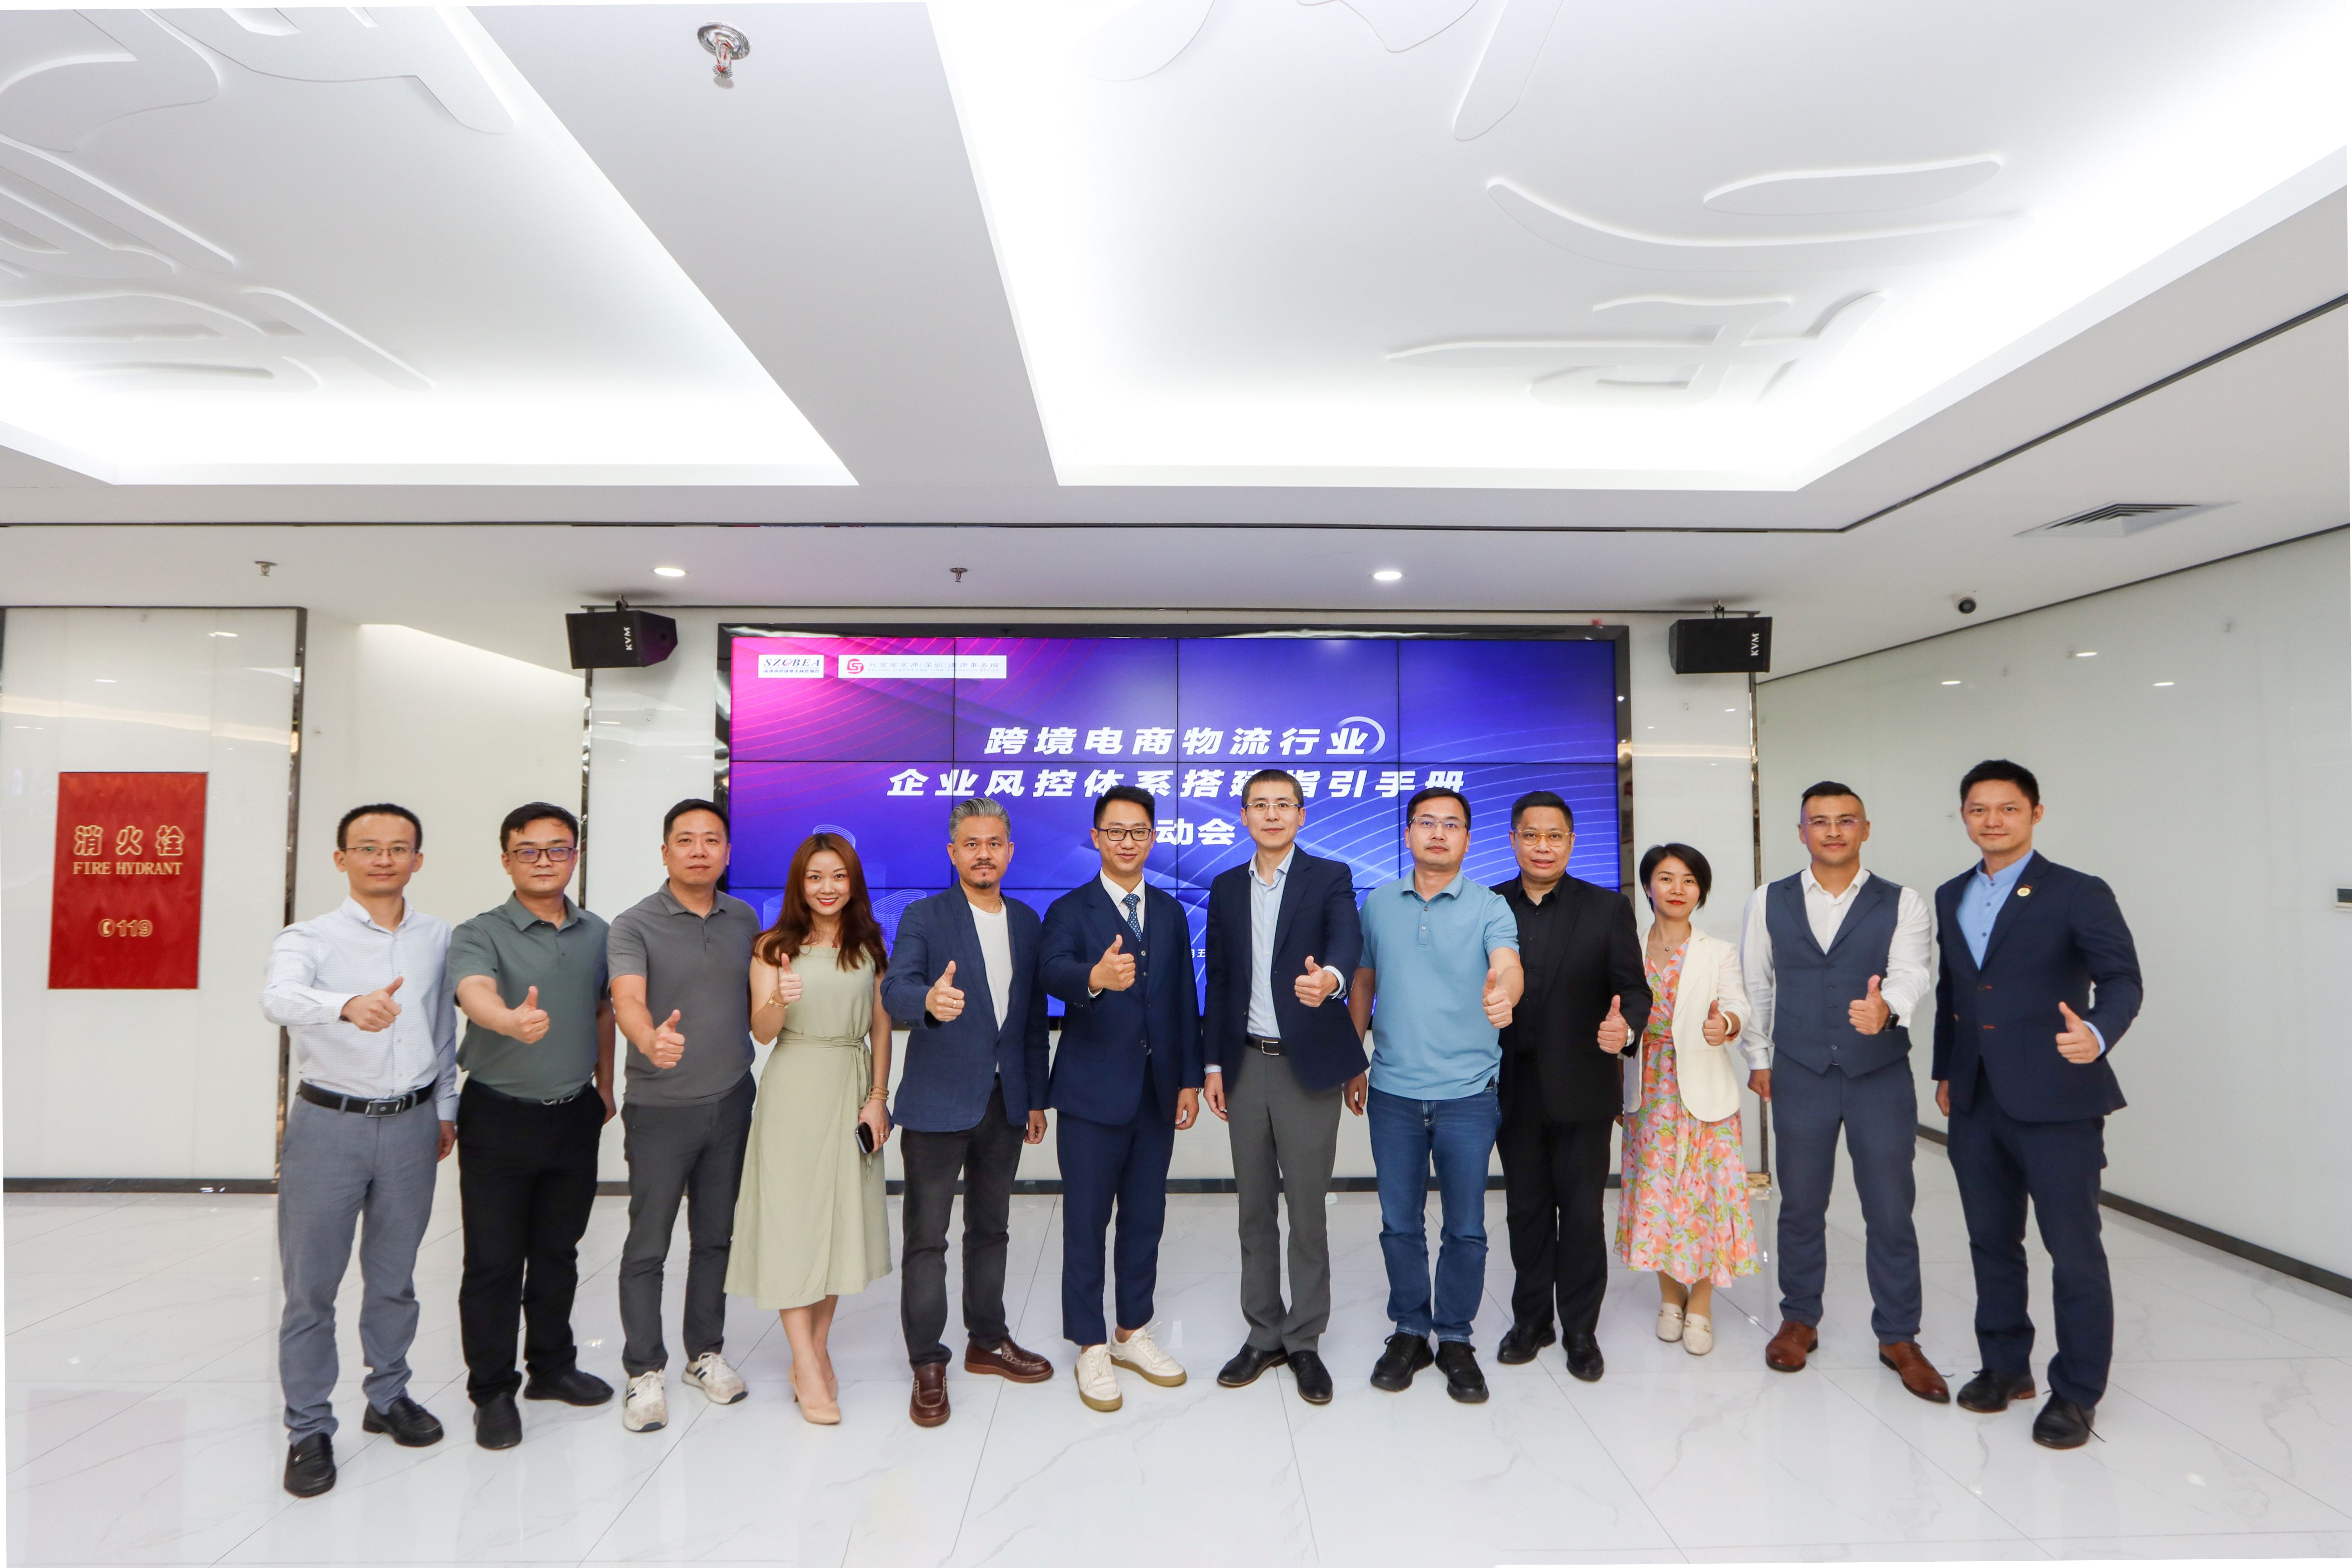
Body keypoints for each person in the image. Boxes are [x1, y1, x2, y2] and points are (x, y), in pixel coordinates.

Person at [1933, 759, 2142, 1450]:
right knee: (1991, 1240)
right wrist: (1945, 1069)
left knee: (2073, 1251)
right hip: (1976, 1096)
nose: (1992, 820)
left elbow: (2123, 979)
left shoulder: (2079, 891)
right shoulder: (1951, 893)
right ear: (1965, 816)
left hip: (2057, 1095)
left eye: (2008, 808)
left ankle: (2077, 1391)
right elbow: (1955, 992)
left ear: (2035, 813)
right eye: (1979, 809)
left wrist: (2098, 1033)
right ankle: (2005, 1365)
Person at [260, 803, 458, 1498]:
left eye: (398, 848)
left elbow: (442, 1030)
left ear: (417, 860)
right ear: (341, 858)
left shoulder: (438, 937)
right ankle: (309, 1426)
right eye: (367, 847)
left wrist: (444, 1109)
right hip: (329, 1126)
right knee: (311, 1289)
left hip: (411, 1125)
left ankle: (389, 1394)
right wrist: (345, 1005)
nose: (383, 859)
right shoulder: (308, 937)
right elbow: (278, 998)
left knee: (394, 1276)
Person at [1739, 784, 1945, 1400]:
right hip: (1800, 1069)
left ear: (1866, 829)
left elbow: (1912, 970)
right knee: (1801, 1203)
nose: (1833, 830)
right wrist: (1758, 1057)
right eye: (1820, 821)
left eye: (1846, 820)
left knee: (1890, 1207)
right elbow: (1757, 981)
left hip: (1879, 1073)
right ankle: (1799, 1318)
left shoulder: (1903, 901)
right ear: (1801, 831)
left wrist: (1889, 1008)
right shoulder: (1769, 899)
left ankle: (1899, 1335)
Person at [880, 798, 1055, 1428]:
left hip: (1005, 1103)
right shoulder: (925, 916)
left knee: (991, 1230)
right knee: (927, 1239)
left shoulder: (1028, 922)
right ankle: (928, 1362)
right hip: (937, 1103)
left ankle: (988, 1340)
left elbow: (1030, 1019)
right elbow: (895, 988)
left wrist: (1035, 1096)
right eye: (972, 843)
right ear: (953, 852)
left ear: (1010, 852)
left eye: (994, 843)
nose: (984, 854)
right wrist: (928, 1002)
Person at [448, 802, 617, 1450]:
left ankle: (551, 1367)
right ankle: (492, 1390)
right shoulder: (480, 931)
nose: (544, 861)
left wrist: (606, 1085)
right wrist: (508, 1021)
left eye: (558, 848)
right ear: (507, 860)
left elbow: (603, 1011)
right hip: (499, 1114)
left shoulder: (598, 932)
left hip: (573, 1113)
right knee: (493, 1261)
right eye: (529, 850)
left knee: (558, 1251)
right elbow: (474, 991)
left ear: (575, 855)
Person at [1349, 785, 1523, 1404]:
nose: (1439, 833)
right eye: (1427, 822)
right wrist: (1353, 1057)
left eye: (1452, 824)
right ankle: (1409, 1329)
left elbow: (1508, 965)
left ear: (1468, 839)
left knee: (1466, 1226)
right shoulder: (1378, 903)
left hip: (1468, 1093)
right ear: (1409, 834)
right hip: (1393, 1090)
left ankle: (1454, 1335)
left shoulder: (1490, 906)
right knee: (1399, 1223)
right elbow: (1364, 980)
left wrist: (1505, 994)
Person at [1202, 768, 1365, 1407]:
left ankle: (1304, 1339)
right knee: (1253, 1208)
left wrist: (1330, 978)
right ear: (1244, 815)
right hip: (1245, 1064)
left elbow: (1346, 939)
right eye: (1259, 805)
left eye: (1284, 805)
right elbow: (1219, 981)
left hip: (1308, 1065)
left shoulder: (1329, 877)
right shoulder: (1224, 887)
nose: (1272, 814)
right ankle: (1263, 1332)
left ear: (1302, 814)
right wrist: (1213, 1066)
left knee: (1306, 1210)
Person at [1039, 785, 1203, 1413]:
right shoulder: (1070, 909)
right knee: (1086, 1222)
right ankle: (1089, 1344)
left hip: (1156, 1093)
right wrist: (1094, 978)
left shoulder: (1170, 912)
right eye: (1115, 831)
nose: (1127, 841)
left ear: (1153, 838)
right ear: (1096, 837)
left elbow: (1183, 1000)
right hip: (1090, 1093)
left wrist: (1187, 1078)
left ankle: (1132, 1332)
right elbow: (1051, 971)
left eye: (1139, 831)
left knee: (1145, 1218)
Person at [727, 832, 894, 1425]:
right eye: (815, 876)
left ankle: (815, 1352)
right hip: (794, 1087)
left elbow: (880, 1028)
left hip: (851, 1085)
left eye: (839, 876)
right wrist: (778, 996)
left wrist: (878, 1099)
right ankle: (804, 1357)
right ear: (799, 883)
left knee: (839, 1220)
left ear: (854, 882)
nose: (828, 887)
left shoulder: (869, 944)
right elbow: (762, 1031)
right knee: (793, 1225)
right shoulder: (772, 945)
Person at [607, 799, 760, 1433]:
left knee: (716, 1236)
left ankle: (705, 1354)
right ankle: (644, 1369)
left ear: (727, 852)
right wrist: (648, 1038)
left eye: (712, 840)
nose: (699, 850)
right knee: (649, 1243)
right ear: (666, 851)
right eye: (686, 839)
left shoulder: (743, 918)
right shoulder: (634, 924)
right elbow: (627, 999)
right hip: (661, 1108)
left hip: (731, 1101)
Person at [1492, 790, 1647, 1384]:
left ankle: (1581, 1329)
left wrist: (1624, 1028)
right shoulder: (1488, 904)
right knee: (1526, 1209)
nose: (1543, 846)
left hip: (1583, 1086)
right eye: (1531, 835)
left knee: (1581, 1214)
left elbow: (1634, 989)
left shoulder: (1606, 908)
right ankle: (1532, 1320)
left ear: (1572, 842)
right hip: (1511, 1086)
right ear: (1513, 840)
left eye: (1554, 835)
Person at [1617, 842, 1759, 1358]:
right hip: (1647, 1088)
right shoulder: (1627, 946)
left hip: (1703, 1087)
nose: (1677, 889)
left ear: (1701, 891)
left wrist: (1728, 1024)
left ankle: (1700, 1303)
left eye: (1689, 880)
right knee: (1656, 1195)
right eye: (1666, 878)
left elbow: (1738, 1003)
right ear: (1648, 886)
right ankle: (1669, 1297)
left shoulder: (1717, 951)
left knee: (1704, 1199)